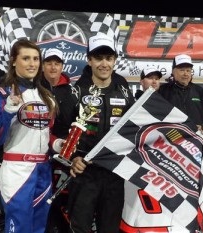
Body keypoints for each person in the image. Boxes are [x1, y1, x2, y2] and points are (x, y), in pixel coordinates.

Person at [0, 39, 63, 233]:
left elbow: (46, 133)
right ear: (13, 60)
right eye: (26, 58)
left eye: (36, 59)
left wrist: (57, 145)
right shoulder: (3, 94)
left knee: (39, 227)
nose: (32, 64)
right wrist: (9, 110)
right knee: (19, 228)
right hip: (17, 170)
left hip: (43, 170)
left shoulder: (46, 95)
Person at [64, 34, 135, 233]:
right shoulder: (76, 91)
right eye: (98, 58)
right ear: (89, 60)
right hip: (84, 175)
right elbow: (61, 134)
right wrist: (73, 159)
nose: (104, 63)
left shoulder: (124, 89)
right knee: (80, 228)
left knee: (110, 229)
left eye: (108, 58)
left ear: (114, 60)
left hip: (114, 174)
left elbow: (133, 130)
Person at [158, 54, 203, 141]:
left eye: (188, 70)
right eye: (182, 70)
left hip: (197, 143)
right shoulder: (162, 91)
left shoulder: (200, 92)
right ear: (173, 71)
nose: (186, 74)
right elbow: (156, 118)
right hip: (170, 144)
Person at [41, 48, 75, 139]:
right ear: (43, 66)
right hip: (37, 141)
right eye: (49, 64)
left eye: (57, 64)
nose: (53, 67)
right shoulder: (34, 87)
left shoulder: (71, 91)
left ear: (62, 67)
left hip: (61, 143)